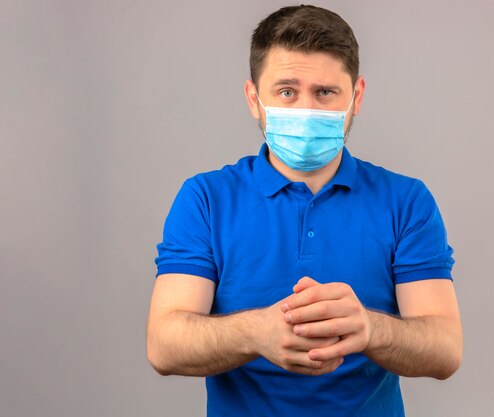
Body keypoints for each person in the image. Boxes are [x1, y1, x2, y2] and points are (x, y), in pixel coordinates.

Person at [147, 5, 462, 417]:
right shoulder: (205, 199)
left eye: (325, 93)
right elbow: (164, 344)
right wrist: (253, 333)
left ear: (357, 97)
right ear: (254, 99)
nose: (305, 110)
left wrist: (371, 329)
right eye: (286, 92)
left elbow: (445, 348)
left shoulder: (406, 201)